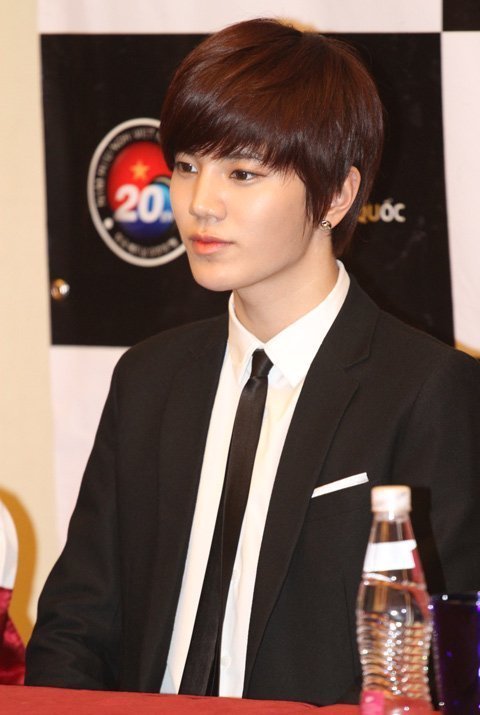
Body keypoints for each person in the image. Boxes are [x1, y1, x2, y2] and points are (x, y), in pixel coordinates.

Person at [25, 18, 480, 706]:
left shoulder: (426, 390)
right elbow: (77, 624)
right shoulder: (148, 379)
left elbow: (441, 663)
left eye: (242, 173)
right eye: (186, 166)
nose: (200, 204)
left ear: (336, 195)